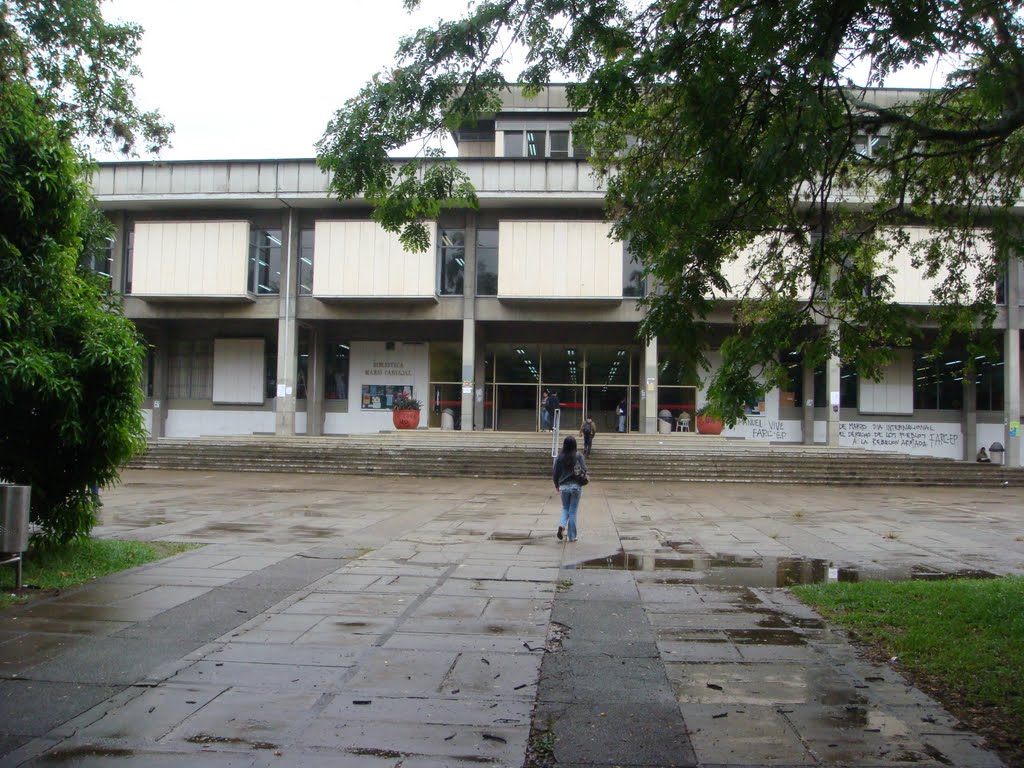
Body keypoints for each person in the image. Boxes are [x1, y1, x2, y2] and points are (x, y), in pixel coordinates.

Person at [553, 435, 588, 542]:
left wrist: (556, 485)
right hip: (575, 486)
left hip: (563, 486)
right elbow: (584, 469)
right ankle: (572, 536)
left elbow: (555, 473)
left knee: (565, 508)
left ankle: (562, 525)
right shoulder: (578, 456)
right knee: (572, 511)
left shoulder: (560, 457)